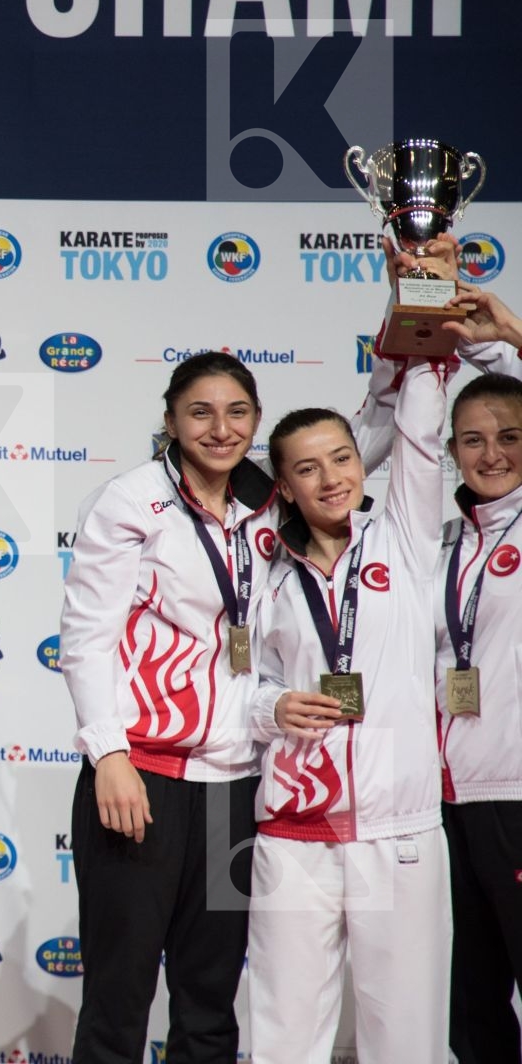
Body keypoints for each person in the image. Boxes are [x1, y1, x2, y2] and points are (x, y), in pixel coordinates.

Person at [244, 290, 462, 1062]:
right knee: (283, 1034)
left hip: (396, 830)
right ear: (287, 487)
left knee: (404, 1036)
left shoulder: (401, 538)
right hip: (294, 834)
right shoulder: (265, 571)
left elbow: (422, 434)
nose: (332, 478)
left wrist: (424, 307)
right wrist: (273, 707)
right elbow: (243, 683)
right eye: (308, 468)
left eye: (342, 458)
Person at [56, 351, 273, 1064]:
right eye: (201, 412)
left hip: (235, 787)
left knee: (210, 1000)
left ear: (258, 420)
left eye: (237, 412)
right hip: (139, 779)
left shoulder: (271, 504)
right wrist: (110, 756)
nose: (220, 428)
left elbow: (357, 447)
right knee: (119, 999)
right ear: (172, 421)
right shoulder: (132, 499)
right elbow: (87, 639)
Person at [354, 248, 522, 1062]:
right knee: (470, 1007)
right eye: (472, 440)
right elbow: (359, 454)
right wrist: (408, 337)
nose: (491, 454)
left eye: (512, 438)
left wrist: (507, 341)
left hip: (518, 792)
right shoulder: (442, 541)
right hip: (443, 803)